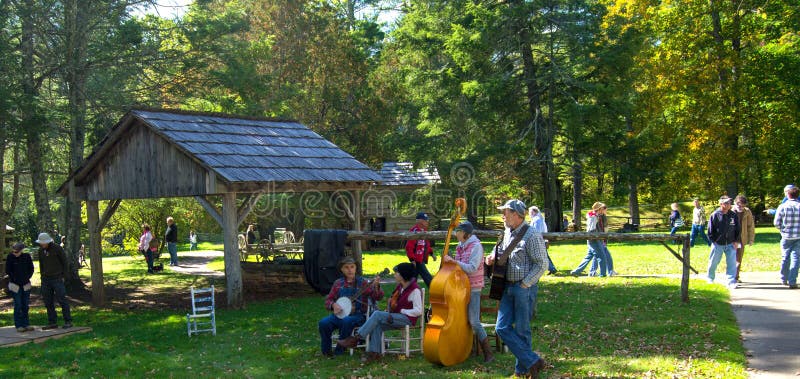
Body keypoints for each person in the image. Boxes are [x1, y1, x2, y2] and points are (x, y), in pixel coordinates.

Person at [485, 199, 547, 378]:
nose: (502, 216)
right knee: (501, 327)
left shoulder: (532, 235)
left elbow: (542, 264)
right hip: (506, 285)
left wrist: (525, 284)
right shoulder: (506, 232)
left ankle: (522, 371)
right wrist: (491, 258)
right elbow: (500, 252)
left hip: (523, 287)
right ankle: (533, 361)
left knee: (522, 330)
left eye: (505, 212)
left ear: (516, 215)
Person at [337, 263, 423, 363]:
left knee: (377, 314)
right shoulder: (400, 287)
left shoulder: (415, 290)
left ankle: (356, 338)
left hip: (407, 319)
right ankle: (374, 354)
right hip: (396, 317)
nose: (394, 275)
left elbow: (418, 311)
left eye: (396, 273)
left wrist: (402, 311)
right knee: (376, 325)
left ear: (403, 275)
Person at [442, 221, 494, 363]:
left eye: (457, 231)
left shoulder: (476, 246)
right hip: (460, 288)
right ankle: (464, 348)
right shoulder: (460, 246)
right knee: (460, 319)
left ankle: (488, 353)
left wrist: (454, 262)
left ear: (465, 233)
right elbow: (458, 267)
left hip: (473, 288)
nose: (455, 234)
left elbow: (471, 268)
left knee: (474, 321)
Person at [319, 257, 384, 357]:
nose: (350, 270)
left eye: (352, 267)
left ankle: (339, 350)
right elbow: (329, 300)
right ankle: (326, 351)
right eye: (346, 267)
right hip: (340, 315)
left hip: (358, 316)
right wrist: (333, 305)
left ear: (356, 268)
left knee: (347, 321)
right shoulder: (338, 283)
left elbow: (378, 297)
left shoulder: (363, 283)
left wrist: (376, 286)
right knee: (323, 323)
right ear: (342, 269)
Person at [36, 232, 73, 329]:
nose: (42, 245)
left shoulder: (57, 249)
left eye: (44, 243)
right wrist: (42, 276)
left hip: (57, 278)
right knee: (48, 301)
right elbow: (41, 264)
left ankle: (68, 320)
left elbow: (65, 263)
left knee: (62, 299)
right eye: (41, 243)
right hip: (46, 279)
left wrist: (64, 276)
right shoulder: (40, 251)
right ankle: (52, 322)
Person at [707, 196, 741, 290]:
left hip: (731, 244)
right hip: (718, 244)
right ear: (721, 204)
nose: (728, 205)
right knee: (713, 262)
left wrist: (736, 241)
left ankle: (731, 282)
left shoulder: (733, 215)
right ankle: (710, 278)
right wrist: (714, 241)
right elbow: (710, 230)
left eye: (729, 203)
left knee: (731, 264)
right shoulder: (715, 215)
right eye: (726, 203)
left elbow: (738, 229)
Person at [571, 202, 608, 277]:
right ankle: (603, 274)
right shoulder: (593, 217)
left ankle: (576, 271)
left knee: (589, 256)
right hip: (594, 238)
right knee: (602, 256)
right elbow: (591, 229)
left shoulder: (597, 216)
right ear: (599, 209)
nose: (603, 210)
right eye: (602, 208)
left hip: (595, 238)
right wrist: (596, 236)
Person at [773, 186, 800, 288]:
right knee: (796, 259)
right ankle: (792, 281)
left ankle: (784, 278)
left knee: (785, 257)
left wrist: (782, 230)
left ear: (788, 194)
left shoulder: (782, 206)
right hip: (798, 236)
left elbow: (776, 223)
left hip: (786, 236)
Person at [6, 242, 34, 332]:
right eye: (14, 252)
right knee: (18, 305)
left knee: (25, 305)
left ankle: (26, 324)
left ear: (21, 250)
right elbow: (8, 271)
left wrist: (27, 278)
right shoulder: (10, 257)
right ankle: (18, 325)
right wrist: (15, 280)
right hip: (15, 285)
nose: (15, 253)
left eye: (17, 252)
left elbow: (31, 269)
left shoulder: (27, 257)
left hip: (26, 284)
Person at [405, 212, 436, 287]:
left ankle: (409, 291)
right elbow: (409, 246)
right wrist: (412, 259)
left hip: (420, 259)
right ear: (420, 221)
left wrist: (431, 253)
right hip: (417, 260)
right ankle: (434, 289)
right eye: (425, 220)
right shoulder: (415, 231)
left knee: (413, 278)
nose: (427, 222)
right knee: (427, 277)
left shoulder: (423, 231)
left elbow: (426, 244)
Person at [589, 204, 617, 277]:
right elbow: (597, 228)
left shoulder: (602, 216)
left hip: (602, 239)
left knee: (598, 256)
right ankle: (609, 271)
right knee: (605, 256)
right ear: (600, 209)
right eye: (604, 209)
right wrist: (602, 239)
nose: (606, 210)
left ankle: (593, 272)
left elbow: (605, 228)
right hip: (599, 239)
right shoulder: (596, 216)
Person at [733, 195, 755, 282]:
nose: (741, 208)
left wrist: (751, 239)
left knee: (738, 258)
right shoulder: (730, 210)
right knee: (731, 258)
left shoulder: (747, 211)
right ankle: (731, 276)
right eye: (739, 205)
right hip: (731, 239)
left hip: (741, 239)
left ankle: (736, 277)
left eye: (743, 206)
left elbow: (751, 226)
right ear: (735, 203)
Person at [529, 206, 557, 275]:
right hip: (541, 240)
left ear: (533, 212)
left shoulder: (537, 220)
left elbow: (536, 231)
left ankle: (551, 268)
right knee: (544, 255)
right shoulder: (539, 219)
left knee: (542, 256)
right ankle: (551, 268)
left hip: (538, 240)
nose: (529, 214)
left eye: (530, 212)